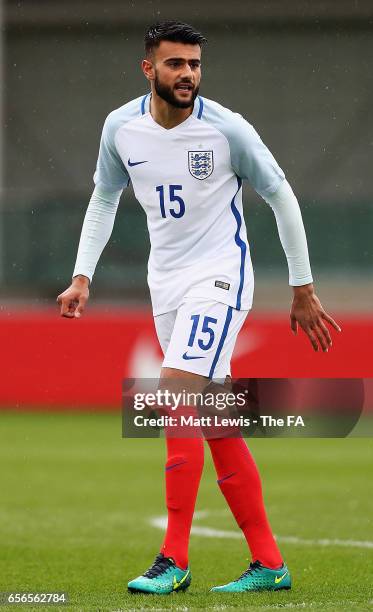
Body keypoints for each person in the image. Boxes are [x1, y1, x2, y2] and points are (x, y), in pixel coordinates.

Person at [57, 20, 341, 595]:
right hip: (164, 284)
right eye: (175, 64)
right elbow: (103, 198)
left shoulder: (227, 129)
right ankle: (270, 565)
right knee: (213, 421)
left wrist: (302, 286)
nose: (187, 74)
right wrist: (82, 274)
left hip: (220, 276)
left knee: (175, 391)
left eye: (195, 65)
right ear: (149, 68)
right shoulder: (121, 128)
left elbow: (281, 194)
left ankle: (174, 559)